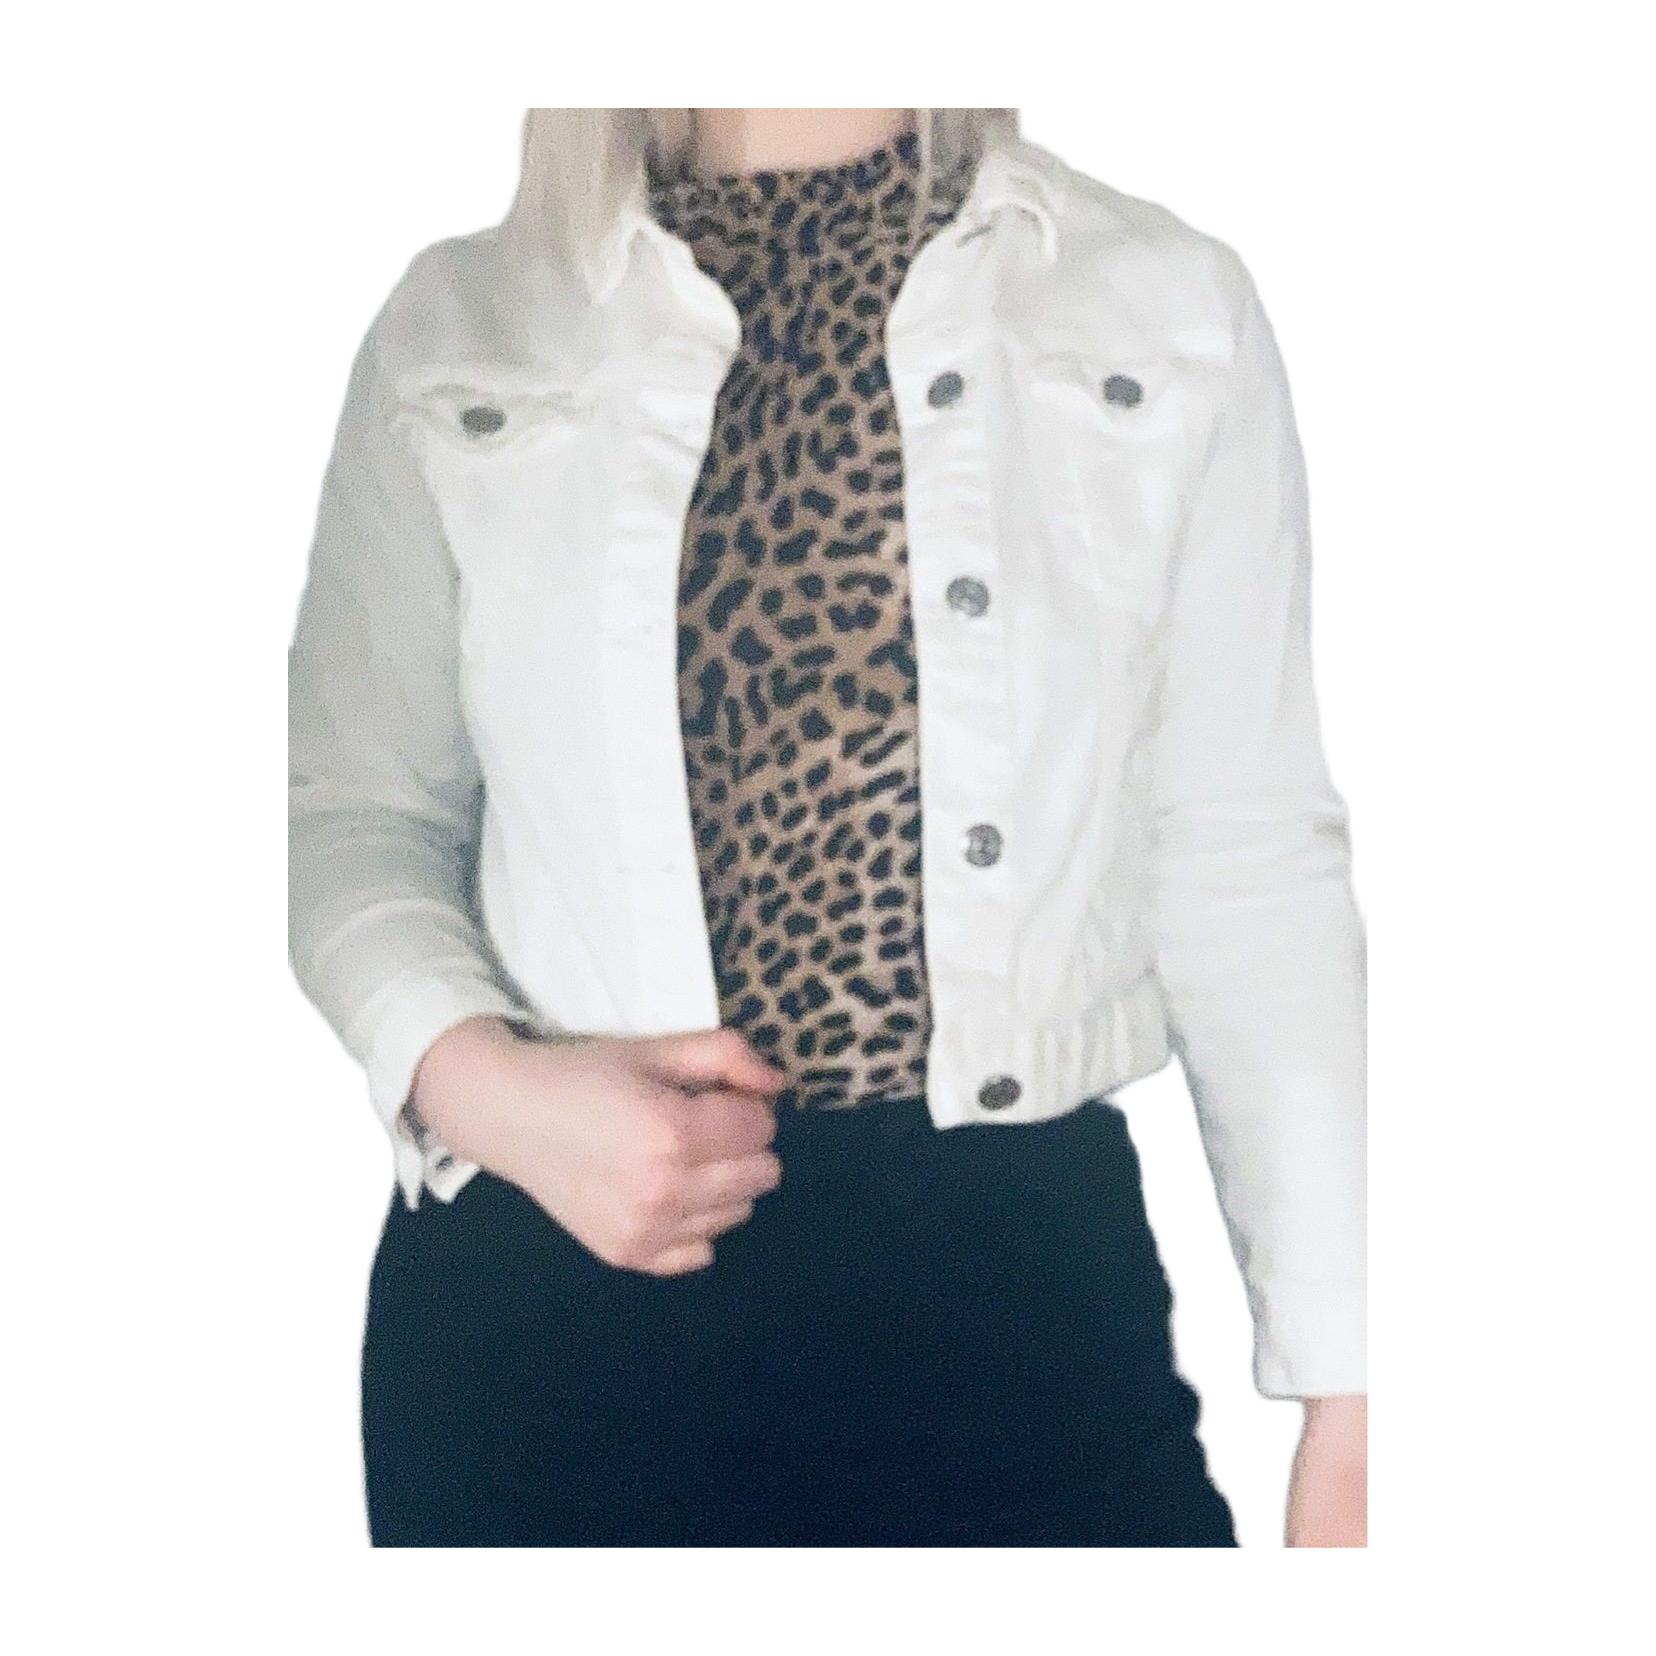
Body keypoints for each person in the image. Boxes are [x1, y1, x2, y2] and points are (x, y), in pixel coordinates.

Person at [288, 106, 1368, 1548]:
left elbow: (1246, 859)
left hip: (1022, 1316)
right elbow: (348, 812)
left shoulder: (1162, 311)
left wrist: (1350, 1381)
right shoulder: (468, 323)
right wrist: (482, 1088)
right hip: (558, 1336)